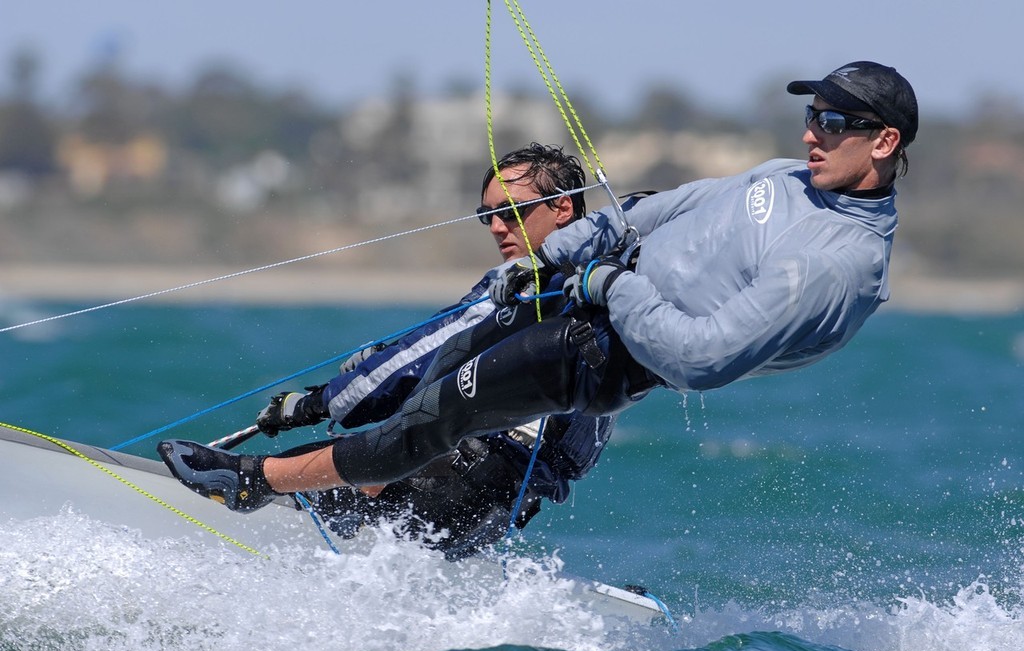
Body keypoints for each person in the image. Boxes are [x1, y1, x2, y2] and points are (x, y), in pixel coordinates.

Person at [161, 61, 917, 535]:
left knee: (440, 408)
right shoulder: (787, 174)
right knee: (445, 365)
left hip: (599, 355)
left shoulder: (834, 264)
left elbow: (702, 361)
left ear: (882, 143)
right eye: (813, 116)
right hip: (586, 323)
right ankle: (325, 492)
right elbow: (665, 209)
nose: (815, 134)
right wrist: (560, 255)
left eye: (837, 124)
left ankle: (255, 484)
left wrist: (605, 282)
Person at [178, 143, 614, 559]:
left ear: (562, 208)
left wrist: (314, 404)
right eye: (488, 216)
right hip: (501, 511)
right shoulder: (606, 285)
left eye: (511, 212)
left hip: (444, 486)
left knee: (310, 466)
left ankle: (238, 486)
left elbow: (421, 358)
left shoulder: (525, 283)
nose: (498, 227)